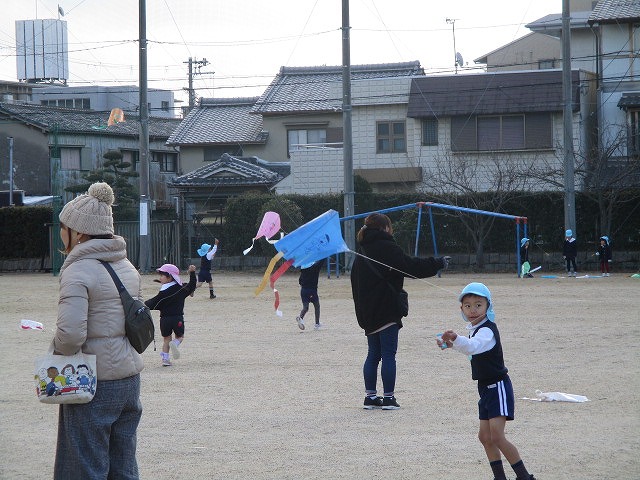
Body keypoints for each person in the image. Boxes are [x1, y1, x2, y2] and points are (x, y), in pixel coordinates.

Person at [53, 182, 143, 479]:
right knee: (123, 467)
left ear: (78, 233)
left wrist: (54, 350)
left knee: (85, 467)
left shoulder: (77, 269)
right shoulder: (127, 266)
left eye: (63, 227)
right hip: (129, 379)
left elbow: (71, 336)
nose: (60, 234)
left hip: (93, 381)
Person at [437, 282, 535, 480]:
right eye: (468, 305)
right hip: (485, 388)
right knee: (485, 437)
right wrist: (450, 345)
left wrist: (455, 338)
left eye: (478, 305)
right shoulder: (476, 328)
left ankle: (525, 477)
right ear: (461, 308)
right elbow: (470, 348)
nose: (473, 310)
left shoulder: (487, 330)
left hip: (498, 386)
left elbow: (474, 346)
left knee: (497, 436)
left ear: (488, 306)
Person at [351, 213, 449, 410]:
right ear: (385, 228)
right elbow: (410, 266)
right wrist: (437, 263)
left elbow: (355, 284)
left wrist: (362, 311)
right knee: (388, 354)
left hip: (368, 313)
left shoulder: (361, 251)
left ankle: (370, 397)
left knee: (373, 354)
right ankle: (388, 398)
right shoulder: (387, 247)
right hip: (386, 309)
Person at [145, 263, 197, 366]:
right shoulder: (181, 289)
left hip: (164, 320)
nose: (160, 278)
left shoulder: (162, 293)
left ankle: (165, 359)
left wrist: (142, 304)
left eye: (162, 275)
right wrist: (192, 273)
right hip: (177, 318)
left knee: (166, 339)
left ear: (169, 277)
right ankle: (175, 343)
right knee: (180, 336)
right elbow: (192, 285)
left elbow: (152, 303)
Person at [296, 261, 322, 331]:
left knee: (305, 307)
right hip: (312, 291)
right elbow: (321, 261)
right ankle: (317, 324)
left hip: (303, 290)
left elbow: (300, 281)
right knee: (317, 306)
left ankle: (300, 317)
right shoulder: (315, 268)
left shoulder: (303, 269)